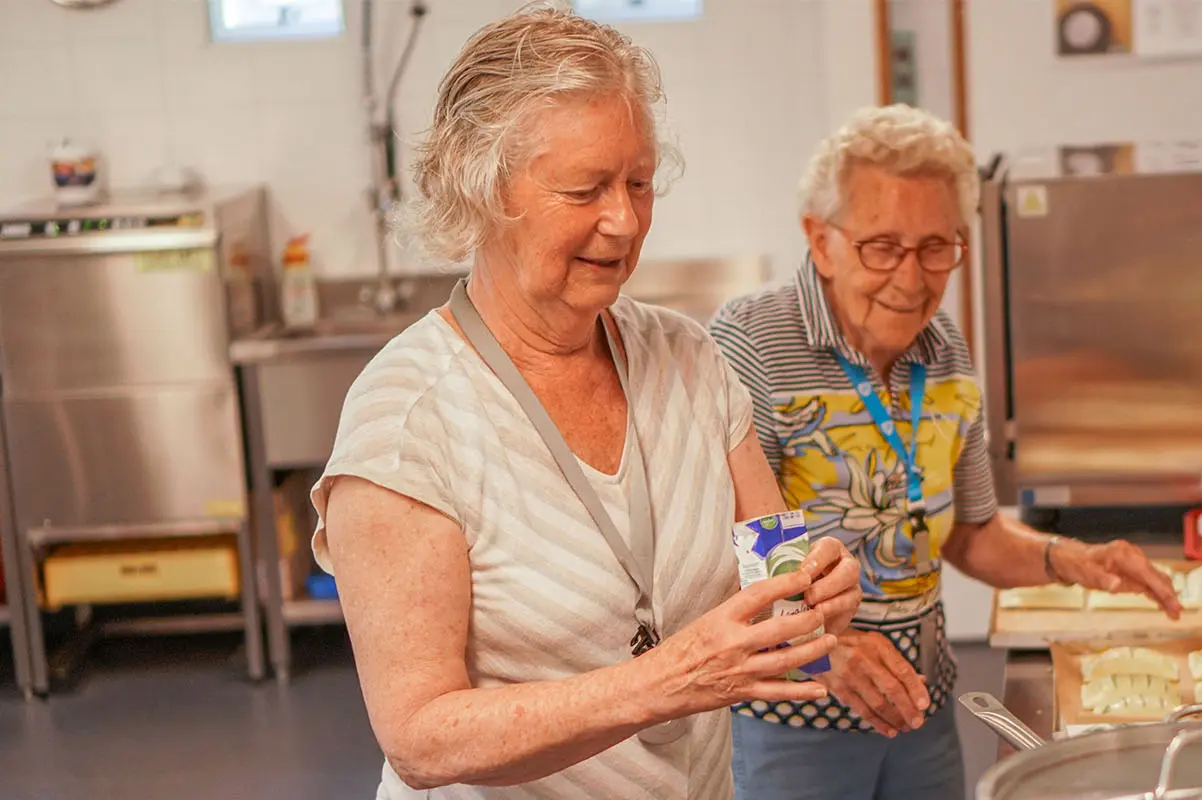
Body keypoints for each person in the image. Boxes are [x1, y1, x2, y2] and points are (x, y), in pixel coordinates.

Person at [310, 8, 861, 799]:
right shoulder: (410, 421)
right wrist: (666, 679)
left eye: (638, 182)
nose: (625, 220)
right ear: (481, 189)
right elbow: (421, 738)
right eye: (585, 188)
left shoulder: (689, 360)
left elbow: (776, 579)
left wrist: (813, 597)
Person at [707, 105, 1182, 800]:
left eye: (937, 246)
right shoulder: (753, 344)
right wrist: (830, 649)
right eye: (881, 247)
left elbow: (970, 535)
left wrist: (1075, 561)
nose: (912, 276)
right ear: (821, 240)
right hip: (795, 716)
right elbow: (733, 555)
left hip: (920, 704)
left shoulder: (945, 349)